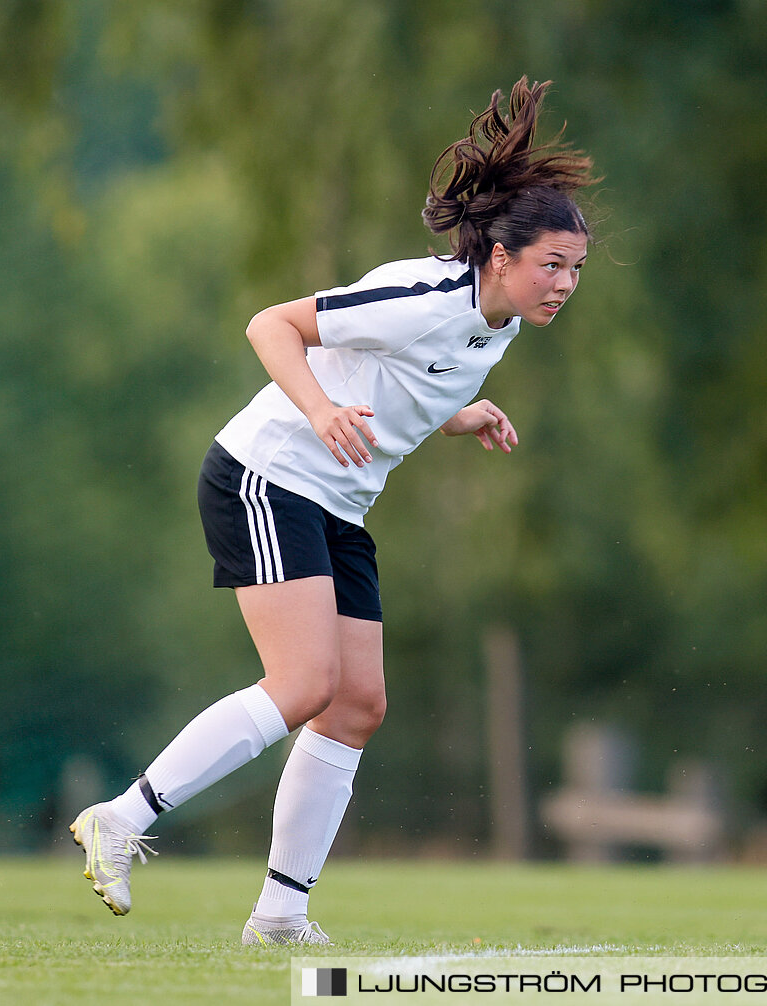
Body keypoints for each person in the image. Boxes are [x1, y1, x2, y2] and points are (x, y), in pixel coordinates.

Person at [69, 77, 596, 945]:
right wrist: (317, 411)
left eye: (576, 269)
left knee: (356, 704)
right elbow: (271, 324)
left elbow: (402, 378)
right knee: (305, 684)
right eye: (552, 264)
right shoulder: (423, 297)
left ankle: (280, 913)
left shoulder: (493, 325)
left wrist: (458, 412)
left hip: (335, 503)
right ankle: (121, 818)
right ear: (499, 256)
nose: (566, 284)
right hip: (266, 475)